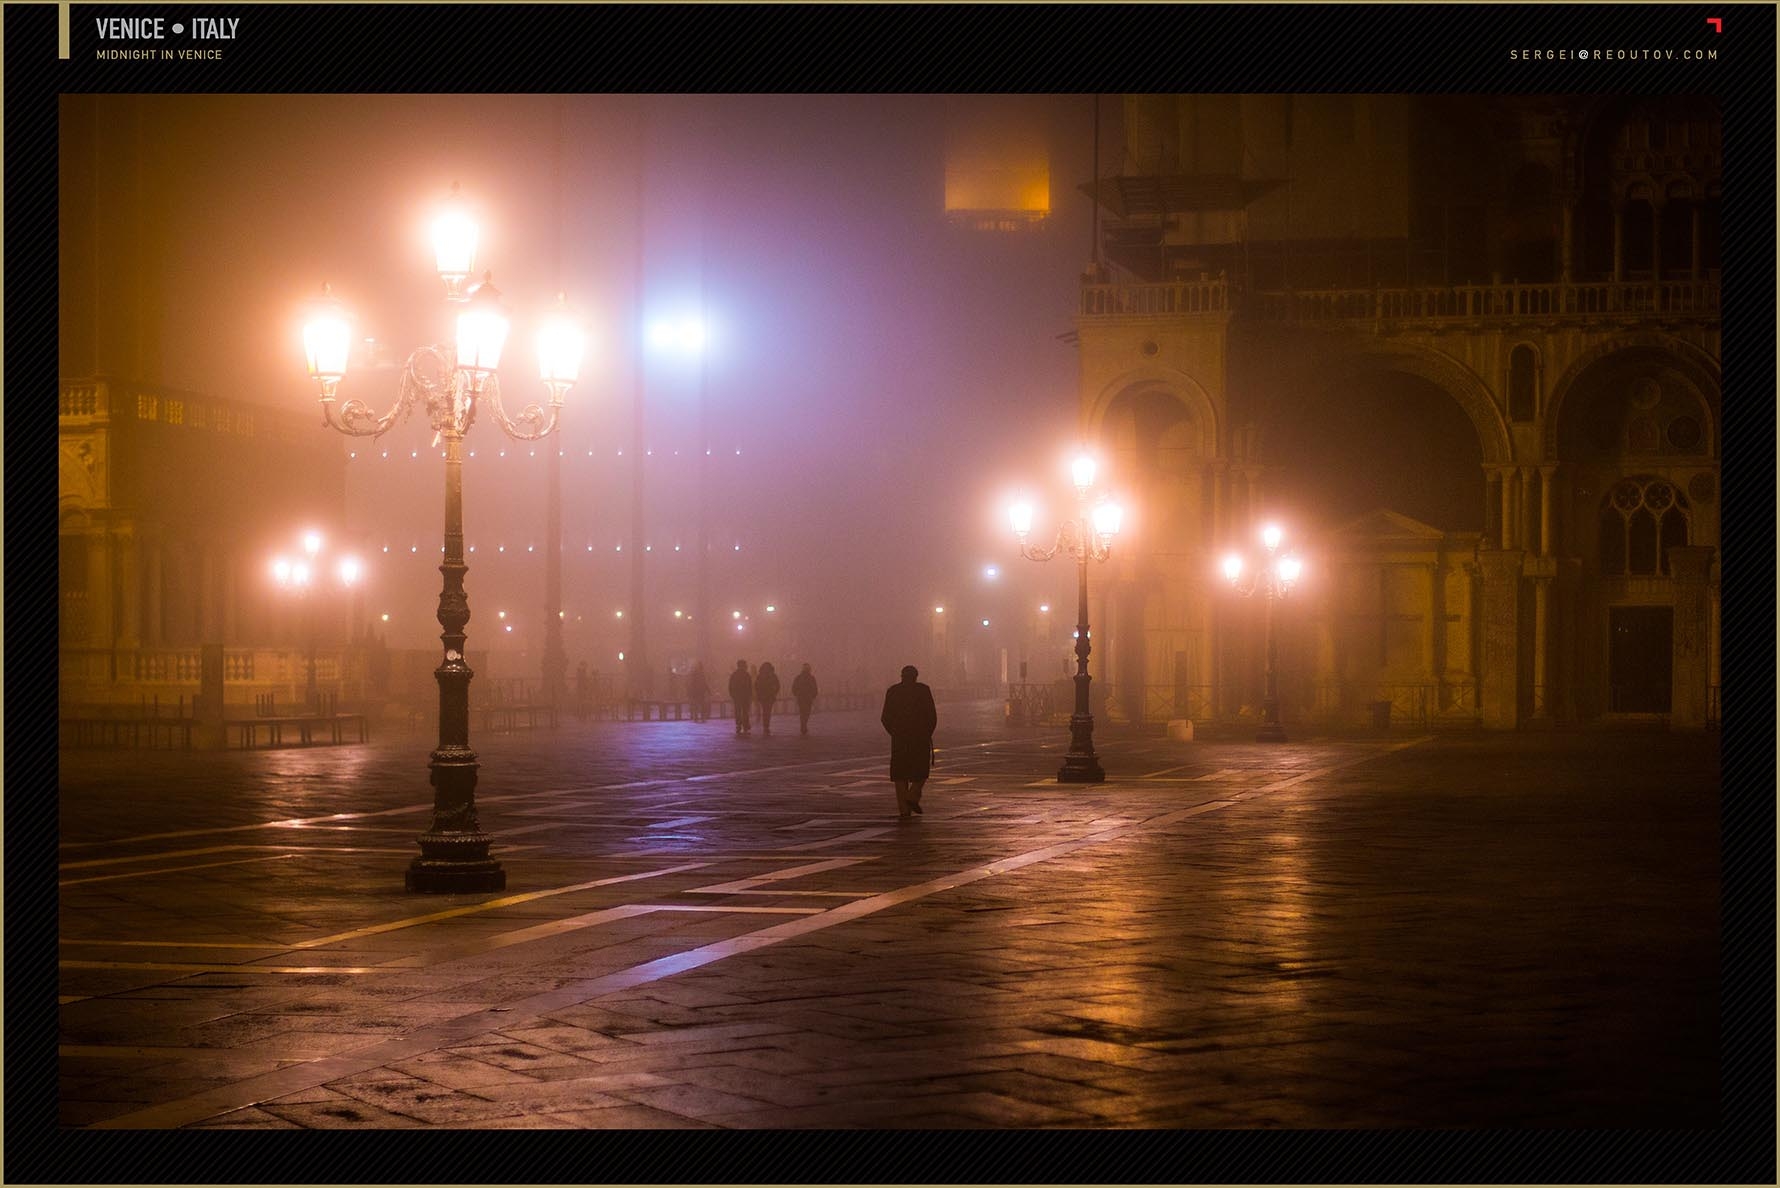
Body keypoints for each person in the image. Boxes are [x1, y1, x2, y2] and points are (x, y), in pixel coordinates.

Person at [880, 665, 937, 819]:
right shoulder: (923, 690)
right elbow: (932, 715)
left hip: (899, 738)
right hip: (920, 737)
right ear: (916, 676)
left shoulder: (892, 691)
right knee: (921, 771)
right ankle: (912, 796)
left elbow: (885, 717)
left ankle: (903, 809)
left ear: (901, 676)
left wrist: (894, 732)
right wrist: (926, 732)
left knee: (900, 773)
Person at [754, 661, 781, 736]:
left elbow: (756, 686)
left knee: (765, 711)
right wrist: (774, 692)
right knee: (768, 711)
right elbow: (778, 686)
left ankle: (765, 725)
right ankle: (766, 726)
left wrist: (759, 694)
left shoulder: (760, 675)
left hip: (763, 697)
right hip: (770, 696)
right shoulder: (773, 675)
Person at [791, 663, 819, 735]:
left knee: (802, 712)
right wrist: (813, 695)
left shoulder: (798, 677)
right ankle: (804, 725)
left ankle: (803, 725)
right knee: (807, 712)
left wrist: (796, 694)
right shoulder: (811, 678)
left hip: (801, 698)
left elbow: (794, 688)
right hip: (808, 698)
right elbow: (815, 688)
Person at [727, 660, 753, 735]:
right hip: (745, 696)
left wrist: (733, 695)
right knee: (745, 711)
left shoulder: (734, 675)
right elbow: (749, 686)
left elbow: (731, 686)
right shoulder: (746, 675)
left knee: (738, 711)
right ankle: (745, 725)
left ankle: (739, 725)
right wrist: (749, 695)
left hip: (737, 696)